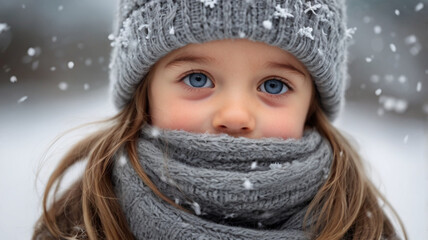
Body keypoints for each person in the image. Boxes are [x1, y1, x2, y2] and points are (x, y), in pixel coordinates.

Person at [33, 0, 407, 239]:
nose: (235, 115)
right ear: (144, 92)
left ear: (311, 105)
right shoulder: (87, 216)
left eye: (274, 85)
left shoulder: (358, 224)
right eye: (198, 79)